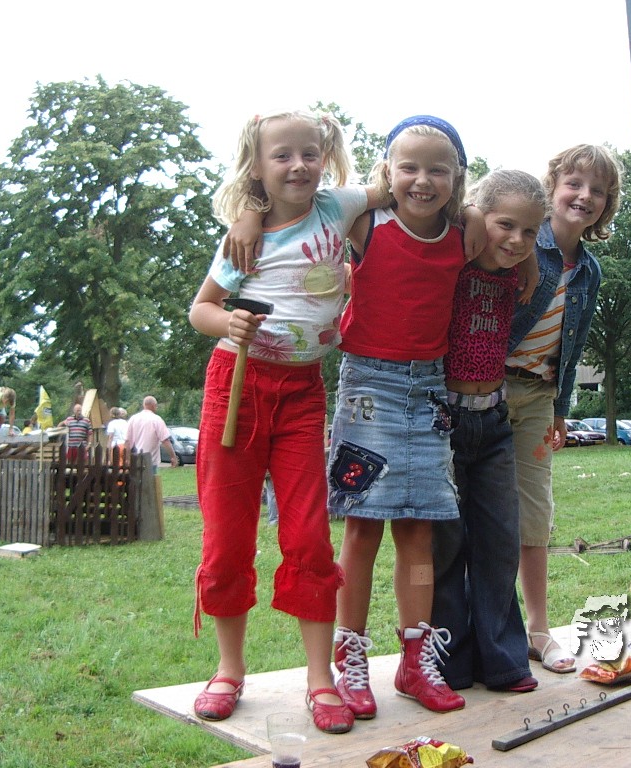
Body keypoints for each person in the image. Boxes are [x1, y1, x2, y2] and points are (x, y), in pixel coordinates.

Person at [188, 109, 389, 736]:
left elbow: (391, 186)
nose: (298, 165)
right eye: (282, 155)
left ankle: (320, 678)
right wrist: (230, 321)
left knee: (308, 537)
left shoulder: (339, 205)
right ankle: (228, 670)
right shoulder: (243, 240)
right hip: (238, 387)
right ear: (258, 166)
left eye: (310, 153)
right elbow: (201, 309)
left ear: (324, 157)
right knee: (227, 537)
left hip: (303, 392)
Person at [328, 115, 471, 719]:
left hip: (430, 390)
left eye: (438, 169)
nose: (422, 180)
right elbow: (309, 207)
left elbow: (517, 236)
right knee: (362, 527)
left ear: (457, 177)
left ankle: (415, 661)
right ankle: (350, 657)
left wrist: (530, 270)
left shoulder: (466, 233)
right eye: (408, 167)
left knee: (419, 530)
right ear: (387, 171)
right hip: (367, 385)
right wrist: (250, 218)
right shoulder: (367, 223)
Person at [504, 144, 622, 673]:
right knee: (480, 514)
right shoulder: (523, 243)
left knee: (535, 515)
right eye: (574, 183)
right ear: (552, 187)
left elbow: (571, 346)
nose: (584, 196)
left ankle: (538, 630)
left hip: (538, 397)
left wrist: (560, 409)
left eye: (598, 191)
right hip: (487, 388)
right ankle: (481, 628)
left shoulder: (589, 271)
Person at [431, 170, 548, 694]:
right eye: (506, 225)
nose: (518, 240)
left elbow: (540, 244)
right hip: (444, 423)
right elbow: (450, 211)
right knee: (446, 546)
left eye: (529, 232)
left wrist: (528, 257)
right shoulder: (452, 256)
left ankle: (502, 661)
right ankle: (450, 664)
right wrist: (477, 216)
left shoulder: (518, 269)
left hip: (494, 423)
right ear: (481, 217)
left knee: (500, 542)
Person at [124, 396, 176, 472]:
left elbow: (127, 441)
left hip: (137, 458)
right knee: (151, 478)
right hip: (151, 459)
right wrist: (173, 456)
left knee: (137, 478)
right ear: (154, 405)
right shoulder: (156, 419)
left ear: (144, 405)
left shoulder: (133, 419)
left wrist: (127, 458)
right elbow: (165, 440)